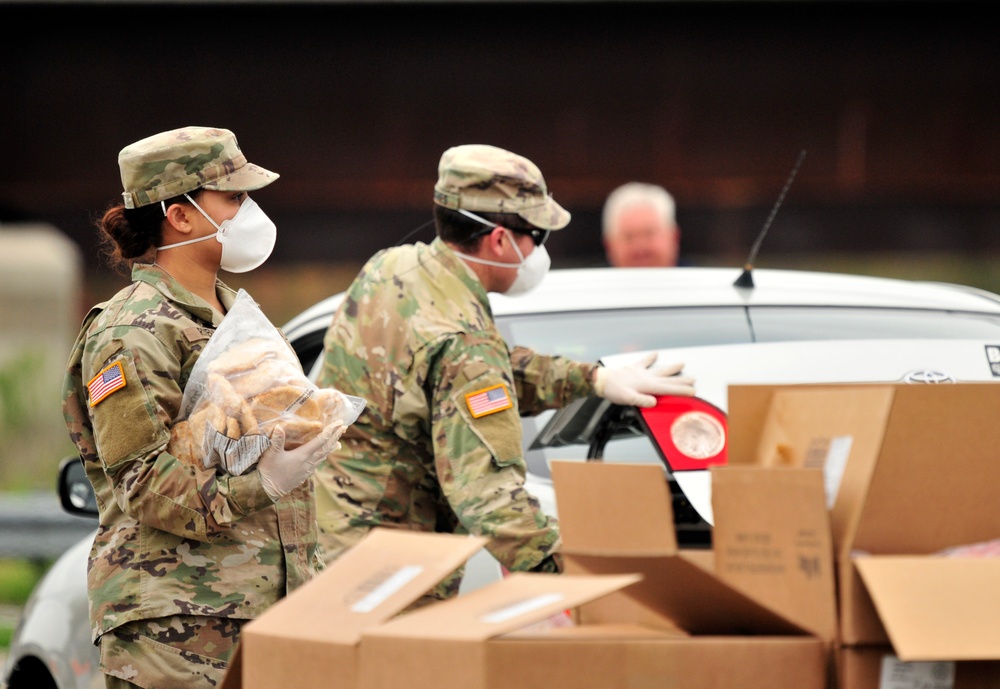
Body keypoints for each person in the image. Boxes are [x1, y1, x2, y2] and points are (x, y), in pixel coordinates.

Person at [313, 143, 696, 601]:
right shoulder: (462, 342)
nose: (538, 250)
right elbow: (490, 499)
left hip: (335, 551)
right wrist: (594, 587)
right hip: (393, 577)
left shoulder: (394, 268)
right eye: (538, 234)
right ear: (499, 240)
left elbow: (456, 372)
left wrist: (592, 379)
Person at [61, 126, 340, 689]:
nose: (250, 211)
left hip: (268, 613)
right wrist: (266, 483)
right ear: (179, 215)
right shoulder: (131, 330)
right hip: (178, 627)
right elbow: (144, 485)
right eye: (234, 198)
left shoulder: (236, 315)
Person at [602, 181, 681, 267]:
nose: (640, 247)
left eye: (649, 234)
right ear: (608, 246)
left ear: (674, 237)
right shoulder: (589, 280)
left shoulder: (697, 279)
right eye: (629, 237)